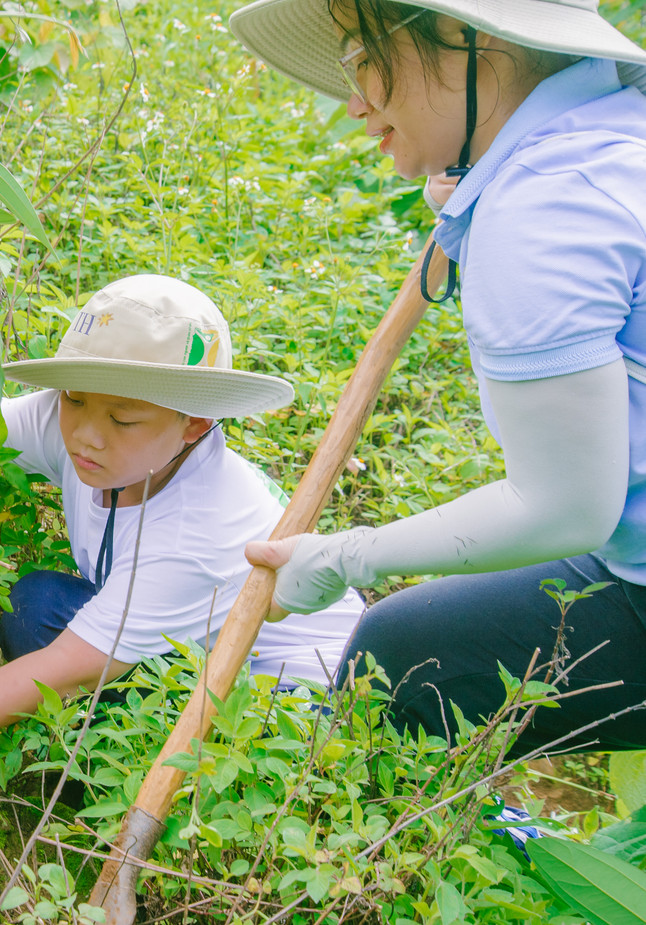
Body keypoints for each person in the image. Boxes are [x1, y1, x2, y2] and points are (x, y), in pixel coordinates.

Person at [0, 274, 365, 813]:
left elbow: (64, 670)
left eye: (124, 419)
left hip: (289, 702)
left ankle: (103, 802)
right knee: (33, 606)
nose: (86, 434)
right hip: (190, 649)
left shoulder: (195, 530)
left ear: (194, 424)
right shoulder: (81, 415)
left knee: (180, 768)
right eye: (75, 401)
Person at [229, 0, 646, 754]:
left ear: (467, 37)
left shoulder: (547, 203)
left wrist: (346, 554)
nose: (353, 102)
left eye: (362, 59)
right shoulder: (611, 137)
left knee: (402, 659)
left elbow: (566, 508)